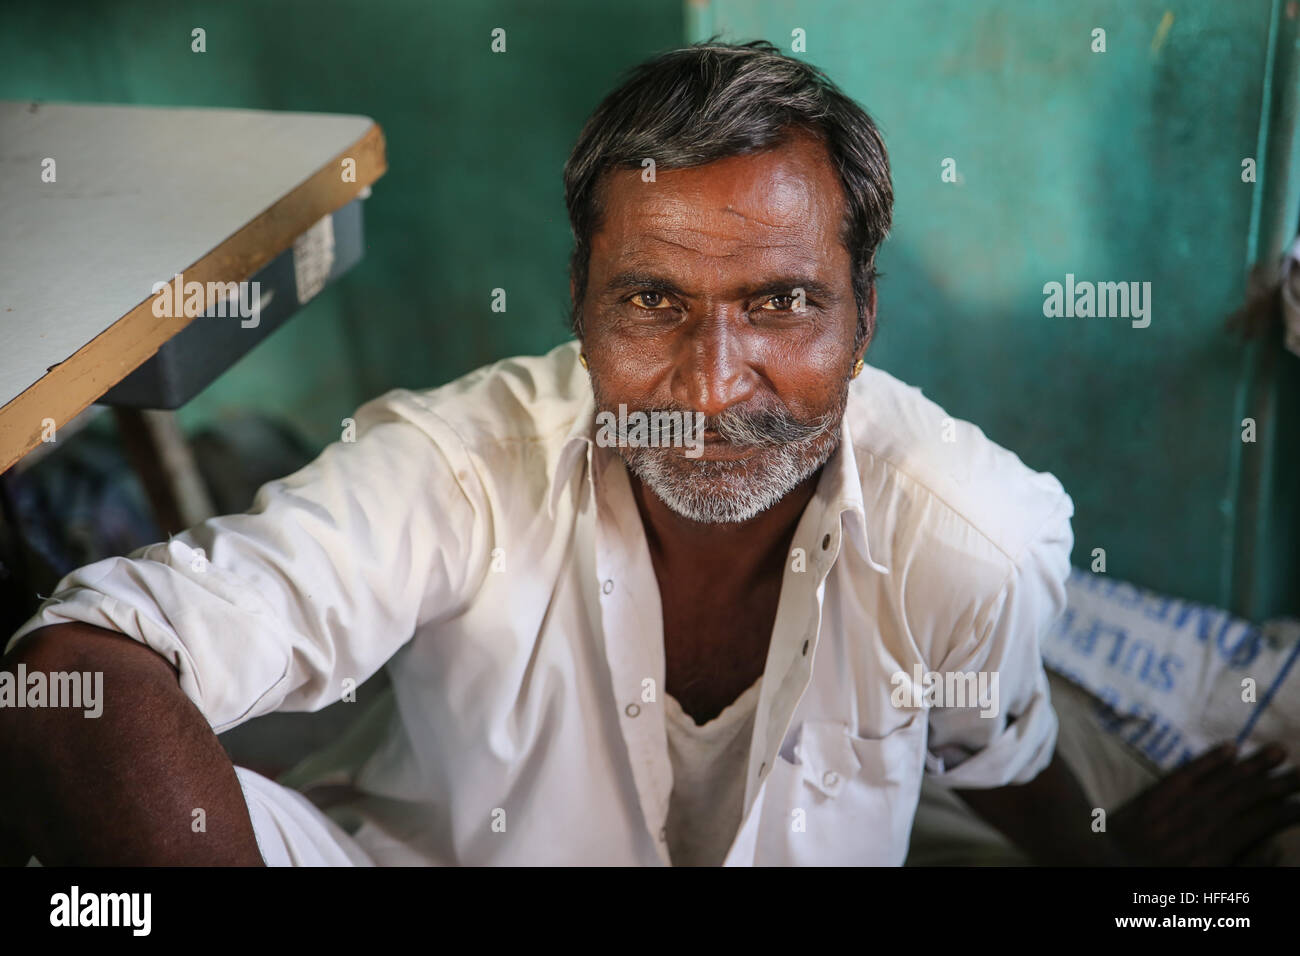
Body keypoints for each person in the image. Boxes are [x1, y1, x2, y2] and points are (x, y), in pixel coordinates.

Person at [3, 40, 1297, 867]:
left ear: (865, 320)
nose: (713, 386)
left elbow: (993, 746)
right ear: (579, 303)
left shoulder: (970, 535)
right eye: (652, 302)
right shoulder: (465, 464)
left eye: (782, 304)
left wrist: (1110, 849)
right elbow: (79, 670)